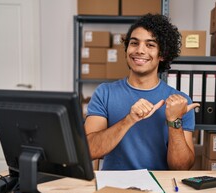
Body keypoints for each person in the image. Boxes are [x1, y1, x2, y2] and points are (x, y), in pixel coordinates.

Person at [84, 13, 199, 170]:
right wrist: (129, 120)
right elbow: (88, 150)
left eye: (150, 45)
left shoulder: (180, 101)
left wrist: (174, 121)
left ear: (162, 54)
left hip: (160, 187)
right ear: (126, 49)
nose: (139, 50)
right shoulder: (105, 93)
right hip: (114, 188)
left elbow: (181, 168)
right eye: (134, 43)